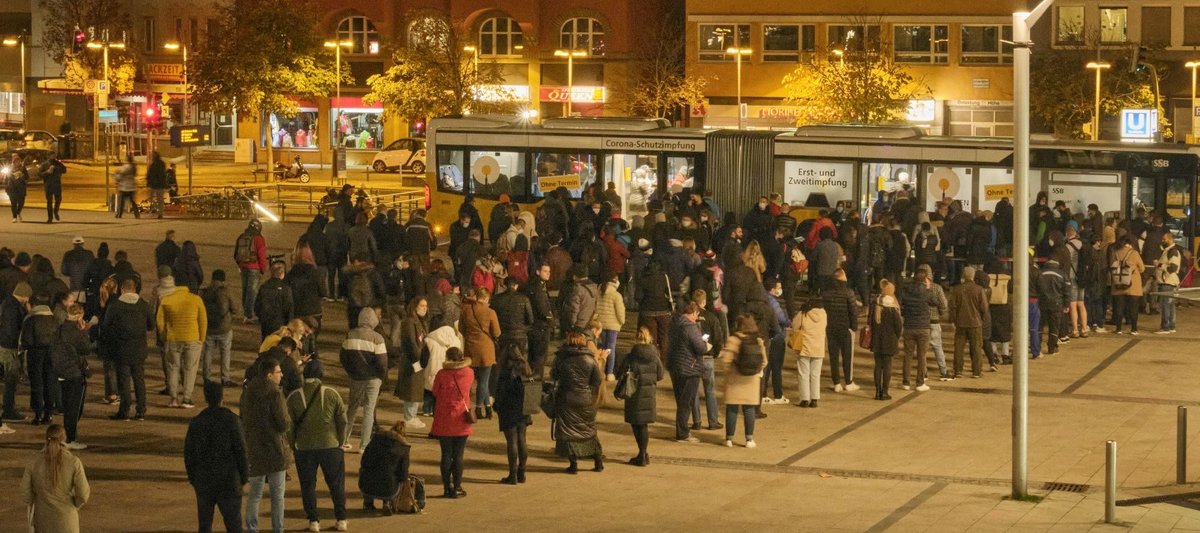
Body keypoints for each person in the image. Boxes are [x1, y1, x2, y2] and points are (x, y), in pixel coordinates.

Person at [287, 361, 349, 532]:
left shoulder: (293, 397)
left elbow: (289, 426)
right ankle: (341, 519)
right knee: (336, 484)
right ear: (321, 375)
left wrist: (293, 444)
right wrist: (341, 441)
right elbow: (342, 421)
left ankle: (313, 521)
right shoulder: (331, 393)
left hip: (304, 448)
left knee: (308, 485)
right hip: (330, 446)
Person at [185, 381, 248, 533]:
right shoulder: (232, 420)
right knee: (234, 525)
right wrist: (244, 477)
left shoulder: (197, 422)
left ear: (206, 398)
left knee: (205, 525)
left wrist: (194, 478)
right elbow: (241, 451)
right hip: (228, 481)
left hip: (204, 481)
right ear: (222, 398)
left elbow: (189, 454)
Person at [240, 356, 290, 533]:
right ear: (269, 375)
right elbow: (283, 423)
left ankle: (252, 528)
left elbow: (243, 417)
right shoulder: (275, 393)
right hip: (274, 448)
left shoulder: (248, 392)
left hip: (254, 447)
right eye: (278, 372)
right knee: (277, 495)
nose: (281, 375)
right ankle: (278, 529)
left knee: (255, 493)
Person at [552, 329, 604, 473]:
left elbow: (554, 375)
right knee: (588, 430)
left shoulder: (561, 358)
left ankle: (573, 464)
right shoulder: (589, 358)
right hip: (585, 398)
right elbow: (597, 380)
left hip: (566, 398)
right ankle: (598, 461)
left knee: (569, 432)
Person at [21, 424, 90, 533]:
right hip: (67, 521)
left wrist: (37, 502)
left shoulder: (34, 462)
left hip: (42, 521)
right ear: (64, 439)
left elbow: (25, 492)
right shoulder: (74, 462)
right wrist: (74, 505)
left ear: (46, 439)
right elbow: (83, 494)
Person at [101, 279, 153, 420]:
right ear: (135, 289)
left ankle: (124, 411)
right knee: (139, 380)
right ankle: (141, 410)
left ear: (122, 290)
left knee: (123, 381)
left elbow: (106, 326)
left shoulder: (115, 306)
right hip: (139, 348)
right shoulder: (144, 305)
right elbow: (151, 325)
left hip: (121, 349)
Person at [339, 307, 388, 452]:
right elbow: (382, 362)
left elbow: (343, 357)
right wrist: (381, 376)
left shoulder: (350, 335)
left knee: (352, 408)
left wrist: (351, 371)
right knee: (369, 410)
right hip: (373, 378)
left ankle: (343, 440)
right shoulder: (377, 338)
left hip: (356, 377)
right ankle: (364, 445)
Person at [158, 274, 208, 409]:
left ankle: (173, 398)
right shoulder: (196, 299)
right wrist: (201, 338)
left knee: (173, 368)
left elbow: (160, 322)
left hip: (173, 338)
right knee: (190, 369)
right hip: (193, 338)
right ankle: (187, 398)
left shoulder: (167, 299)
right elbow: (203, 320)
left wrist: (164, 336)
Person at [617, 327, 664, 466]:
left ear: (636, 339)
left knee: (636, 424)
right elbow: (660, 375)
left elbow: (620, 373)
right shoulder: (655, 356)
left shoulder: (631, 356)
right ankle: (643, 453)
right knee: (643, 425)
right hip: (649, 394)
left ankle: (642, 454)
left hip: (634, 394)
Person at [718, 314, 767, 447]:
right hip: (752, 381)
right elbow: (764, 361)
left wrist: (730, 372)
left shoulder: (733, 339)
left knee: (732, 409)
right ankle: (749, 439)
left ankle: (729, 439)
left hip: (734, 380)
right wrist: (755, 371)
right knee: (749, 409)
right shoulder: (758, 340)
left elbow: (726, 361)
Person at [431, 346, 473, 499]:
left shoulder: (442, 374)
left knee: (446, 454)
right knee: (459, 455)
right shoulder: (469, 372)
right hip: (462, 418)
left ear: (448, 357)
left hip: (444, 418)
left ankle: (446, 487)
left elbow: (435, 392)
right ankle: (457, 486)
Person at [52, 304, 91, 449]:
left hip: (60, 371)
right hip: (74, 373)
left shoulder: (60, 329)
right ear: (80, 316)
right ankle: (70, 438)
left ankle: (66, 436)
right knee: (74, 408)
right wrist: (84, 331)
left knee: (67, 405)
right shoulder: (75, 331)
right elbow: (86, 348)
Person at [668, 302, 708, 443]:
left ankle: (682, 430)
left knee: (681, 401)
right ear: (693, 313)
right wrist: (706, 345)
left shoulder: (674, 324)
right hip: (689, 368)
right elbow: (700, 348)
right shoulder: (690, 327)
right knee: (686, 402)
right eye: (697, 314)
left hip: (675, 366)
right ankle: (682, 433)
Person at [493, 346, 534, 484]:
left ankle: (512, 475)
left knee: (512, 442)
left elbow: (500, 391)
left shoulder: (505, 370)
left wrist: (497, 405)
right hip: (524, 407)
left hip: (508, 409)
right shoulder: (526, 368)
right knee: (522, 439)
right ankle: (522, 472)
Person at [461, 288, 500, 419]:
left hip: (470, 348)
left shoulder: (466, 310)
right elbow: (497, 332)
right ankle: (478, 408)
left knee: (478, 380)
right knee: (484, 381)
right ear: (486, 298)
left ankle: (488, 407)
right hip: (485, 349)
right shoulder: (490, 312)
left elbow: (461, 328)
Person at [359, 420, 411, 515]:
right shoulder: (404, 448)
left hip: (367, 485)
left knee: (366, 471)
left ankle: (368, 503)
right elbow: (403, 473)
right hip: (389, 487)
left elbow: (364, 461)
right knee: (393, 475)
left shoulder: (375, 440)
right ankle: (387, 502)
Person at [822, 269, 860, 392]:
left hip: (831, 327)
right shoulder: (849, 293)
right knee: (847, 356)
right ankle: (848, 382)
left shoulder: (826, 293)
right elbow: (853, 312)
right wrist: (854, 327)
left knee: (833, 356)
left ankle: (836, 383)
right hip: (845, 328)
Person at [395, 297, 430, 429]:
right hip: (412, 361)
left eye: (426, 306)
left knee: (416, 388)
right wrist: (418, 358)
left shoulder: (420, 321)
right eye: (422, 306)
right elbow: (410, 342)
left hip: (419, 360)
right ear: (415, 306)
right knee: (411, 389)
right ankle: (409, 417)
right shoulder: (409, 322)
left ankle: (412, 415)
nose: (424, 308)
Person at [21, 298, 57, 425]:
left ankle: (38, 414)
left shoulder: (30, 319)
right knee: (50, 383)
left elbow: (26, 340)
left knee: (37, 383)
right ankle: (49, 413)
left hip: (35, 354)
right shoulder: (54, 319)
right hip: (51, 353)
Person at [948, 266, 989, 377]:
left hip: (960, 323)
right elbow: (984, 307)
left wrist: (952, 320)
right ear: (973, 276)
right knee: (976, 348)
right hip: (975, 323)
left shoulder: (956, 289)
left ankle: (958, 370)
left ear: (963, 276)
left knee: (959, 348)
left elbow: (952, 307)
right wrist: (982, 319)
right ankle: (976, 371)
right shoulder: (979, 289)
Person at [200, 270, 239, 387]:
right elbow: (235, 309)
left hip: (209, 328)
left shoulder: (204, 292)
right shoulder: (226, 292)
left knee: (208, 353)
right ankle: (225, 378)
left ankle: (206, 377)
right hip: (224, 328)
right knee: (225, 353)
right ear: (223, 280)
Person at [899, 270, 935, 392]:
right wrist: (929, 288)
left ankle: (906, 382)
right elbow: (935, 302)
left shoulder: (906, 292)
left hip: (909, 326)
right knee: (922, 356)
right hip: (923, 327)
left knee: (908, 355)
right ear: (925, 280)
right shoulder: (926, 293)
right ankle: (920, 382)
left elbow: (902, 308)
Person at [0, 281, 31, 422]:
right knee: (11, 379)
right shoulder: (13, 307)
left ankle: (8, 408)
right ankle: (8, 410)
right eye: (27, 297)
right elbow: (11, 329)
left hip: (5, 345)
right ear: (24, 295)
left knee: (10, 378)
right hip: (9, 347)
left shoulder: (8, 303)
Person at [791, 299, 827, 407]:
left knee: (803, 374)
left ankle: (804, 399)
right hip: (819, 348)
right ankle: (814, 399)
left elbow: (794, 326)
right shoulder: (823, 313)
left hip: (805, 347)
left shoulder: (803, 313)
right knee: (816, 374)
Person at [871, 280, 903, 400]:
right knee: (887, 366)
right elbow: (898, 327)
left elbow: (871, 323)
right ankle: (884, 392)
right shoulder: (892, 309)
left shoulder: (875, 305)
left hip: (876, 340)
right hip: (889, 341)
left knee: (878, 366)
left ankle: (877, 391)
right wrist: (896, 337)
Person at [1110, 237, 1146, 335]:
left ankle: (1118, 329)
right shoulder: (1134, 253)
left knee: (1119, 307)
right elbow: (1142, 268)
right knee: (1133, 308)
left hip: (1118, 284)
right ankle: (1134, 329)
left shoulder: (1115, 253)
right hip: (1133, 285)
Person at [235, 219, 269, 323]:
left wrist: (240, 265)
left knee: (245, 291)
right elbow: (262, 255)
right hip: (254, 268)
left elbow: (235, 254)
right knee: (252, 292)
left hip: (243, 267)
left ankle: (246, 314)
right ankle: (249, 315)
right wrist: (263, 269)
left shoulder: (242, 236)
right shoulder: (258, 238)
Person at [595, 274, 626, 381]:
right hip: (613, 325)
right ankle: (609, 372)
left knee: (602, 348)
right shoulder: (616, 295)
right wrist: (622, 321)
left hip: (600, 324)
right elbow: (620, 311)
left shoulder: (599, 292)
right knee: (610, 348)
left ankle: (601, 370)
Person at [255, 261, 294, 339]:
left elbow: (257, 306)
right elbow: (289, 308)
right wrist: (288, 324)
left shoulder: (264, 287)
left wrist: (261, 318)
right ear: (282, 274)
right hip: (280, 323)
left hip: (266, 323)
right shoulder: (286, 289)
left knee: (266, 342)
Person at [1155, 232, 1182, 334]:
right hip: (1168, 282)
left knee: (1165, 305)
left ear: (1170, 239)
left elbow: (1173, 268)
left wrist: (1159, 265)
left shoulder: (1173, 251)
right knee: (1170, 305)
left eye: (1164, 239)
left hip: (1167, 282)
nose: (1162, 241)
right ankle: (1171, 326)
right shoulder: (1168, 251)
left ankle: (1165, 327)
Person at [60, 236, 93, 302]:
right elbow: (93, 269)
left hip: (74, 286)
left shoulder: (68, 254)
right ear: (82, 244)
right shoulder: (89, 254)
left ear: (74, 244)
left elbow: (64, 271)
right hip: (86, 287)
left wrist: (72, 272)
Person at [115, 153, 139, 218]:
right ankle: (137, 214)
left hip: (124, 187)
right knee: (133, 202)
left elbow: (120, 174)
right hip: (132, 187)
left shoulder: (126, 167)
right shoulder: (133, 167)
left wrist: (116, 176)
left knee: (121, 202)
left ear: (127, 159)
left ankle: (119, 214)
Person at [146, 151, 168, 218]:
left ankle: (159, 212)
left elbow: (159, 174)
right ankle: (158, 211)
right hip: (156, 184)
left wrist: (149, 182)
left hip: (157, 184)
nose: (152, 156)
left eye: (153, 155)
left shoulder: (156, 164)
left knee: (158, 199)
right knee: (157, 199)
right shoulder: (156, 163)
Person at [6, 154, 28, 222]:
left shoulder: (23, 168)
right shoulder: (9, 168)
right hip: (12, 188)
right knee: (13, 203)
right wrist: (11, 175)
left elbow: (27, 177)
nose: (17, 162)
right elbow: (6, 178)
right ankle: (14, 217)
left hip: (21, 188)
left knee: (21, 203)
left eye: (18, 160)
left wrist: (22, 175)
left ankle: (18, 212)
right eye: (15, 161)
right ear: (13, 161)